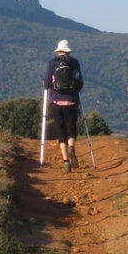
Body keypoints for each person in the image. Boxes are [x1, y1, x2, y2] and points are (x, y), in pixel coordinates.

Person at [43, 39, 84, 173]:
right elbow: (79, 82)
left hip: (56, 101)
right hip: (71, 101)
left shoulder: (52, 62)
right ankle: (72, 147)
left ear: (59, 51)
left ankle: (66, 162)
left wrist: (46, 84)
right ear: (68, 51)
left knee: (61, 131)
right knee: (71, 128)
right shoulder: (75, 63)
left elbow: (47, 83)